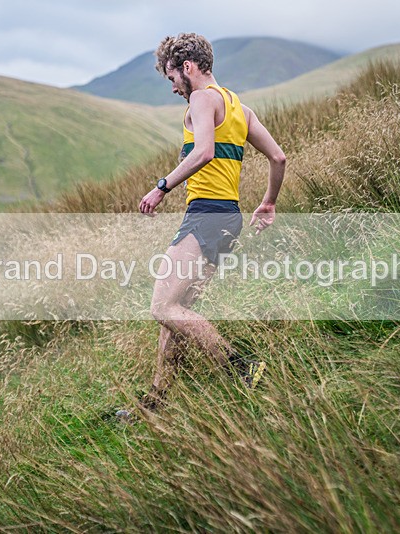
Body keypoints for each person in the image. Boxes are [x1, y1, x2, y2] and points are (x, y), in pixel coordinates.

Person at [130, 32, 286, 416]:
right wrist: (268, 202)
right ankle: (156, 402)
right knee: (177, 310)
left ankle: (243, 368)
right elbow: (278, 158)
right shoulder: (240, 108)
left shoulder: (202, 98)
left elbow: (203, 152)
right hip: (229, 217)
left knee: (162, 307)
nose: (173, 88)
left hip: (206, 215)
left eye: (172, 78)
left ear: (188, 67)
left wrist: (161, 188)